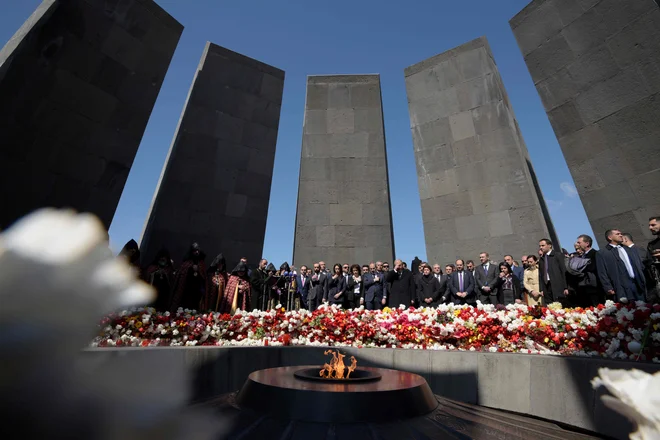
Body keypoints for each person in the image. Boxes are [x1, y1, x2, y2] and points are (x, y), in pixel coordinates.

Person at [596, 229, 646, 302]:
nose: (621, 235)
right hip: (620, 286)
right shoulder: (602, 253)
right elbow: (602, 272)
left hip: (636, 283)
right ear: (610, 237)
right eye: (617, 234)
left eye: (621, 234)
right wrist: (608, 287)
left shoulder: (628, 249)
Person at [170, 243, 207, 313]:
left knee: (195, 307)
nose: (197, 252)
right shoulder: (186, 263)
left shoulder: (202, 264)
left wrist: (198, 269)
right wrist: (191, 268)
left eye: (198, 251)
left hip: (197, 290)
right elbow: (182, 276)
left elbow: (204, 277)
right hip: (186, 289)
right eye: (195, 251)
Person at [537, 238, 569, 306]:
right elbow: (540, 275)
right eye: (540, 246)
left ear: (549, 245)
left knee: (560, 306)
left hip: (557, 285)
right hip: (546, 287)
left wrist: (566, 287)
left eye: (543, 245)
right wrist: (541, 289)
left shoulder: (558, 255)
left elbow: (563, 271)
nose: (541, 247)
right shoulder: (541, 259)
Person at [574, 234, 601, 306]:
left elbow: (594, 268)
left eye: (579, 242)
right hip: (584, 288)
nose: (578, 244)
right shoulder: (582, 256)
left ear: (587, 243)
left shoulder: (595, 254)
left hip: (594, 287)